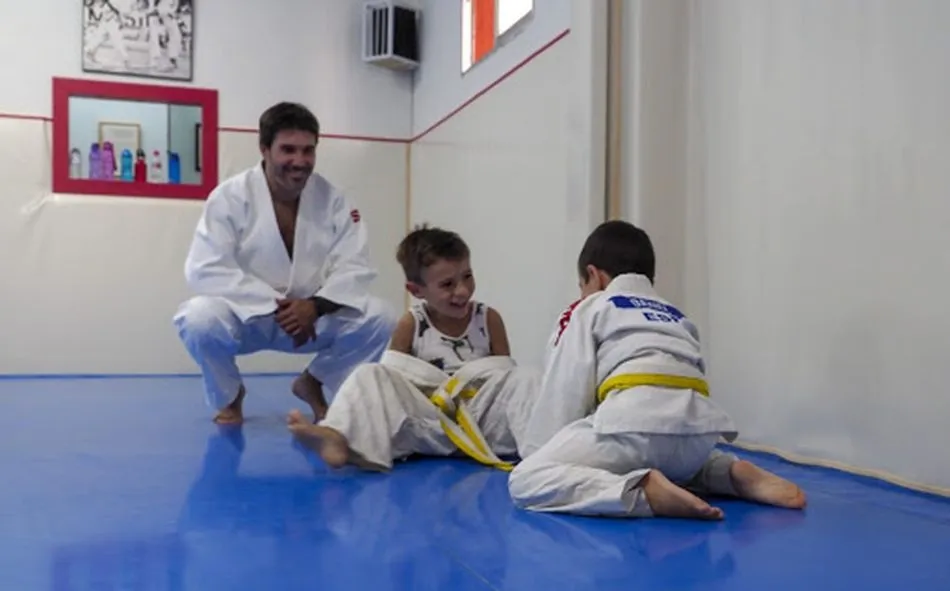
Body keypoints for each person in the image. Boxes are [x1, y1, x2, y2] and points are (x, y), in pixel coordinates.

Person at [508, 220, 806, 520]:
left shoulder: (592, 306)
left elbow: (566, 390)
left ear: (593, 276)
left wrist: (542, 450)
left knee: (526, 479)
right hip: (698, 436)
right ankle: (726, 472)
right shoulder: (675, 314)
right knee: (670, 452)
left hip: (634, 427)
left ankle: (642, 490)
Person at [173, 102, 395, 425]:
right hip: (249, 316)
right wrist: (276, 306)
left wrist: (314, 306)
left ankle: (313, 381)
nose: (300, 161)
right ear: (264, 149)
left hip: (308, 319)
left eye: (308, 151)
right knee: (197, 320)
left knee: (382, 318)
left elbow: (355, 266)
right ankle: (230, 396)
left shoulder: (334, 199)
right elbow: (204, 267)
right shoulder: (230, 197)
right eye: (288, 150)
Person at [287, 225, 538, 471]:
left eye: (467, 277)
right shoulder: (411, 324)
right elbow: (394, 382)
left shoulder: (488, 318)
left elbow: (504, 379)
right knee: (371, 375)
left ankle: (542, 451)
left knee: (525, 377)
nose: (462, 290)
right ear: (416, 291)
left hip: (482, 426)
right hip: (428, 425)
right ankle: (337, 435)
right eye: (447, 284)